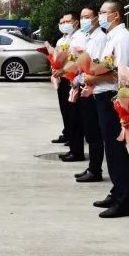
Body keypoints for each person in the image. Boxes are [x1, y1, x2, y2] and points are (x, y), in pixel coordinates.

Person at [83, 0, 129, 218]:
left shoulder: (122, 38)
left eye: (104, 13)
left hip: (112, 96)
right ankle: (116, 192)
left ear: (116, 15)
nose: (101, 16)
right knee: (111, 149)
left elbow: (120, 73)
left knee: (116, 151)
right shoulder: (112, 37)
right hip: (102, 96)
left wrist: (93, 76)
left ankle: (123, 200)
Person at [69, 6, 106, 183]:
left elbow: (97, 66)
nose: (84, 20)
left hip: (94, 88)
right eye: (82, 17)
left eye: (87, 17)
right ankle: (92, 167)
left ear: (96, 18)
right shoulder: (89, 38)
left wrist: (81, 77)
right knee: (90, 131)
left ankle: (95, 169)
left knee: (94, 132)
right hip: (86, 85)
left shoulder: (99, 39)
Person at [51, 12, 82, 160]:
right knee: (67, 112)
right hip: (63, 77)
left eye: (67, 21)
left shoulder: (79, 38)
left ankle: (76, 149)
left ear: (76, 23)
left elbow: (78, 60)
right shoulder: (62, 39)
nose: (64, 24)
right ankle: (71, 140)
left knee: (74, 115)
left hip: (74, 79)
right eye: (62, 22)